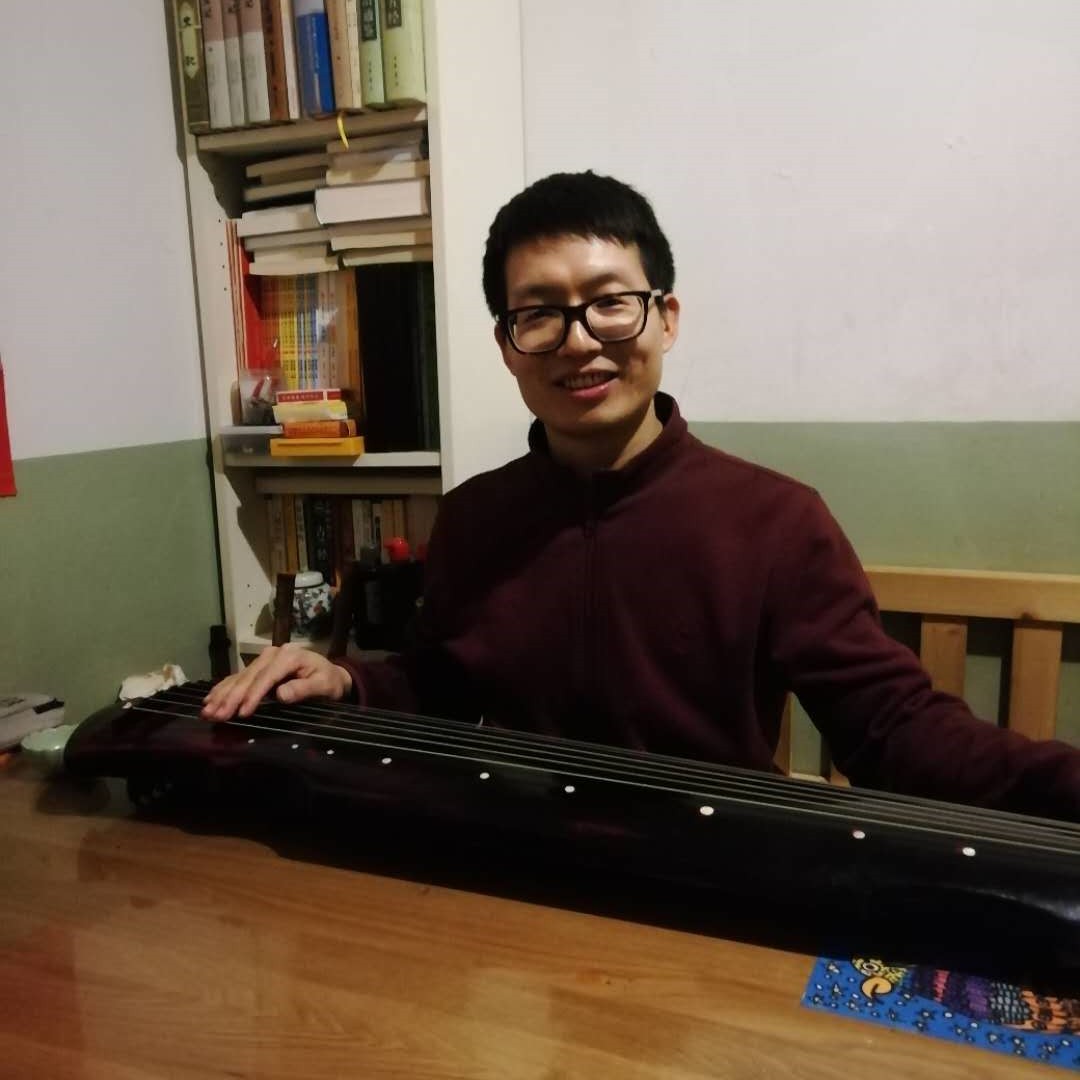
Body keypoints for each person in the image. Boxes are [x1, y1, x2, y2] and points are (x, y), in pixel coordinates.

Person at [202, 171, 1080, 819]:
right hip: (511, 870)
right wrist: (345, 680)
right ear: (507, 345)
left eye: (610, 303)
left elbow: (892, 727)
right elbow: (439, 683)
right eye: (538, 313)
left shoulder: (776, 521)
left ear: (666, 318)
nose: (579, 341)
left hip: (714, 877)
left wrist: (1057, 784)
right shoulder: (474, 517)